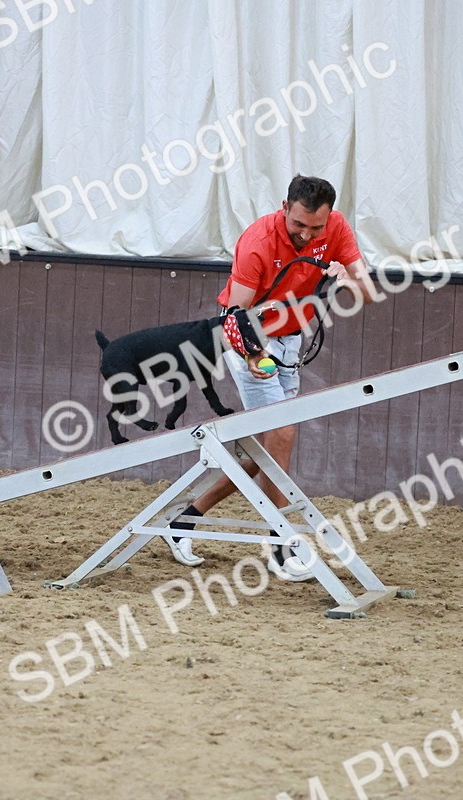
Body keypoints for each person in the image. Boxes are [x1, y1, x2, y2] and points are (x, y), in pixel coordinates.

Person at [164, 175, 377, 580]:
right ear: (285, 207)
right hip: (249, 341)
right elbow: (234, 318)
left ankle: (184, 521)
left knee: (262, 454)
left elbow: (367, 292)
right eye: (299, 225)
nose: (307, 235)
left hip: (291, 342)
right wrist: (255, 357)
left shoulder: (336, 227)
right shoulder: (258, 242)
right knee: (281, 436)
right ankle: (280, 543)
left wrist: (345, 277)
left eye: (316, 228)